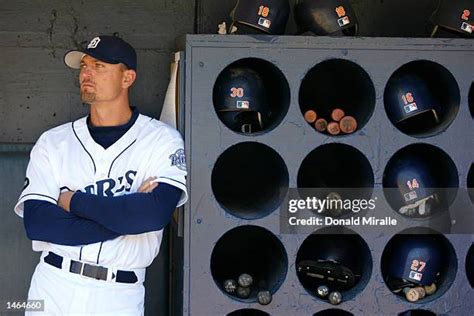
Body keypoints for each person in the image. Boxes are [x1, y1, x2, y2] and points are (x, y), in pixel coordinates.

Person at [14, 34, 188, 315]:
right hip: (53, 285)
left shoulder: (162, 140)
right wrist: (126, 219)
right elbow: (39, 224)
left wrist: (74, 203)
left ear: (127, 77)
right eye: (84, 65)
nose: (86, 73)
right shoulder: (53, 142)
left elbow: (154, 215)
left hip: (119, 293)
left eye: (99, 65)